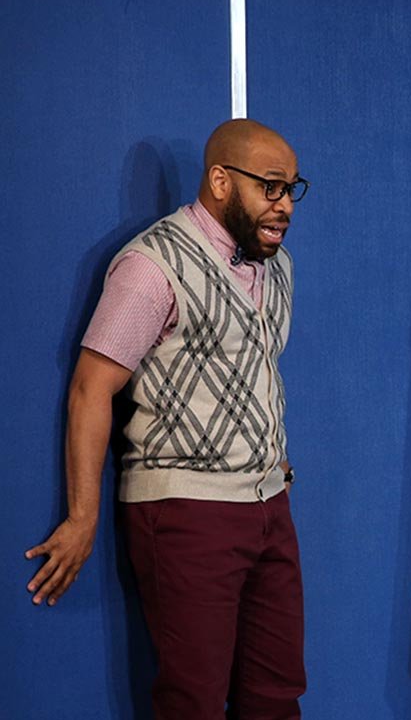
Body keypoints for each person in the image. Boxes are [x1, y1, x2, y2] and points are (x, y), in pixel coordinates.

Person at [25, 119, 311, 719]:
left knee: (277, 696)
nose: (284, 206)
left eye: (292, 190)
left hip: (269, 507)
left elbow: (248, 367)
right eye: (271, 187)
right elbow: (89, 390)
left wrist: (265, 452)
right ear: (220, 181)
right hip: (186, 511)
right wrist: (82, 516)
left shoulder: (276, 266)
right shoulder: (153, 265)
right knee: (194, 703)